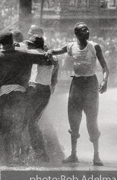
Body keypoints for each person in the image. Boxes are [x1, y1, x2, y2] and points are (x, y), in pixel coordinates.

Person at [46, 22, 109, 166]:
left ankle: (96, 156)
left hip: (91, 85)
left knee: (91, 121)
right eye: (83, 30)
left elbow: (105, 66)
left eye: (87, 29)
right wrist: (49, 51)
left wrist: (105, 80)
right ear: (76, 34)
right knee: (73, 120)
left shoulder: (94, 47)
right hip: (76, 85)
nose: (87, 32)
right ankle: (74, 154)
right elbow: (58, 50)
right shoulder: (71, 47)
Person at [0, 31, 53, 165]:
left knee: (5, 125)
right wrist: (47, 53)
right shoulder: (23, 54)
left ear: (1, 42)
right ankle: (16, 157)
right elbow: (46, 60)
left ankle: (5, 157)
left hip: (4, 93)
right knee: (17, 125)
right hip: (19, 93)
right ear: (12, 41)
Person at [24, 34, 59, 163]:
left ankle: (40, 153)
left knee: (30, 121)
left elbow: (50, 62)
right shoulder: (48, 56)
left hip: (36, 89)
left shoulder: (39, 56)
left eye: (29, 44)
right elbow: (55, 70)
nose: (27, 46)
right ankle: (39, 152)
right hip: (44, 90)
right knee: (32, 121)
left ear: (34, 45)